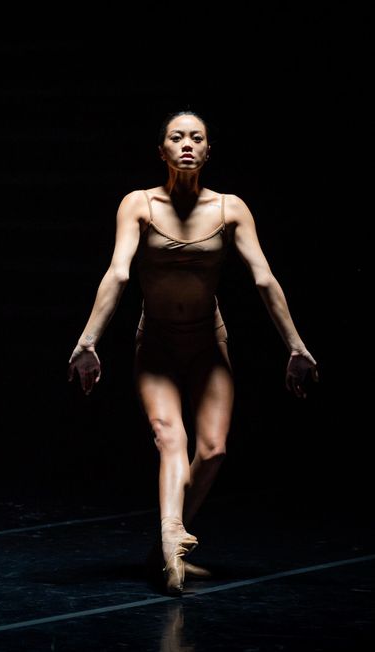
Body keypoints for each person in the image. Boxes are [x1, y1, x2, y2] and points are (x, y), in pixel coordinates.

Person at [66, 111, 319, 595]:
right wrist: (88, 341)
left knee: (214, 449)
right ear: (161, 151)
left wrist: (296, 347)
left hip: (207, 341)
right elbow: (119, 273)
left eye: (196, 138)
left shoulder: (230, 209)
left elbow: (263, 278)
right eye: (176, 137)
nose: (187, 144)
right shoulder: (138, 204)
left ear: (208, 152)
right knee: (169, 438)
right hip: (157, 342)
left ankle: (164, 541)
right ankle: (171, 536)